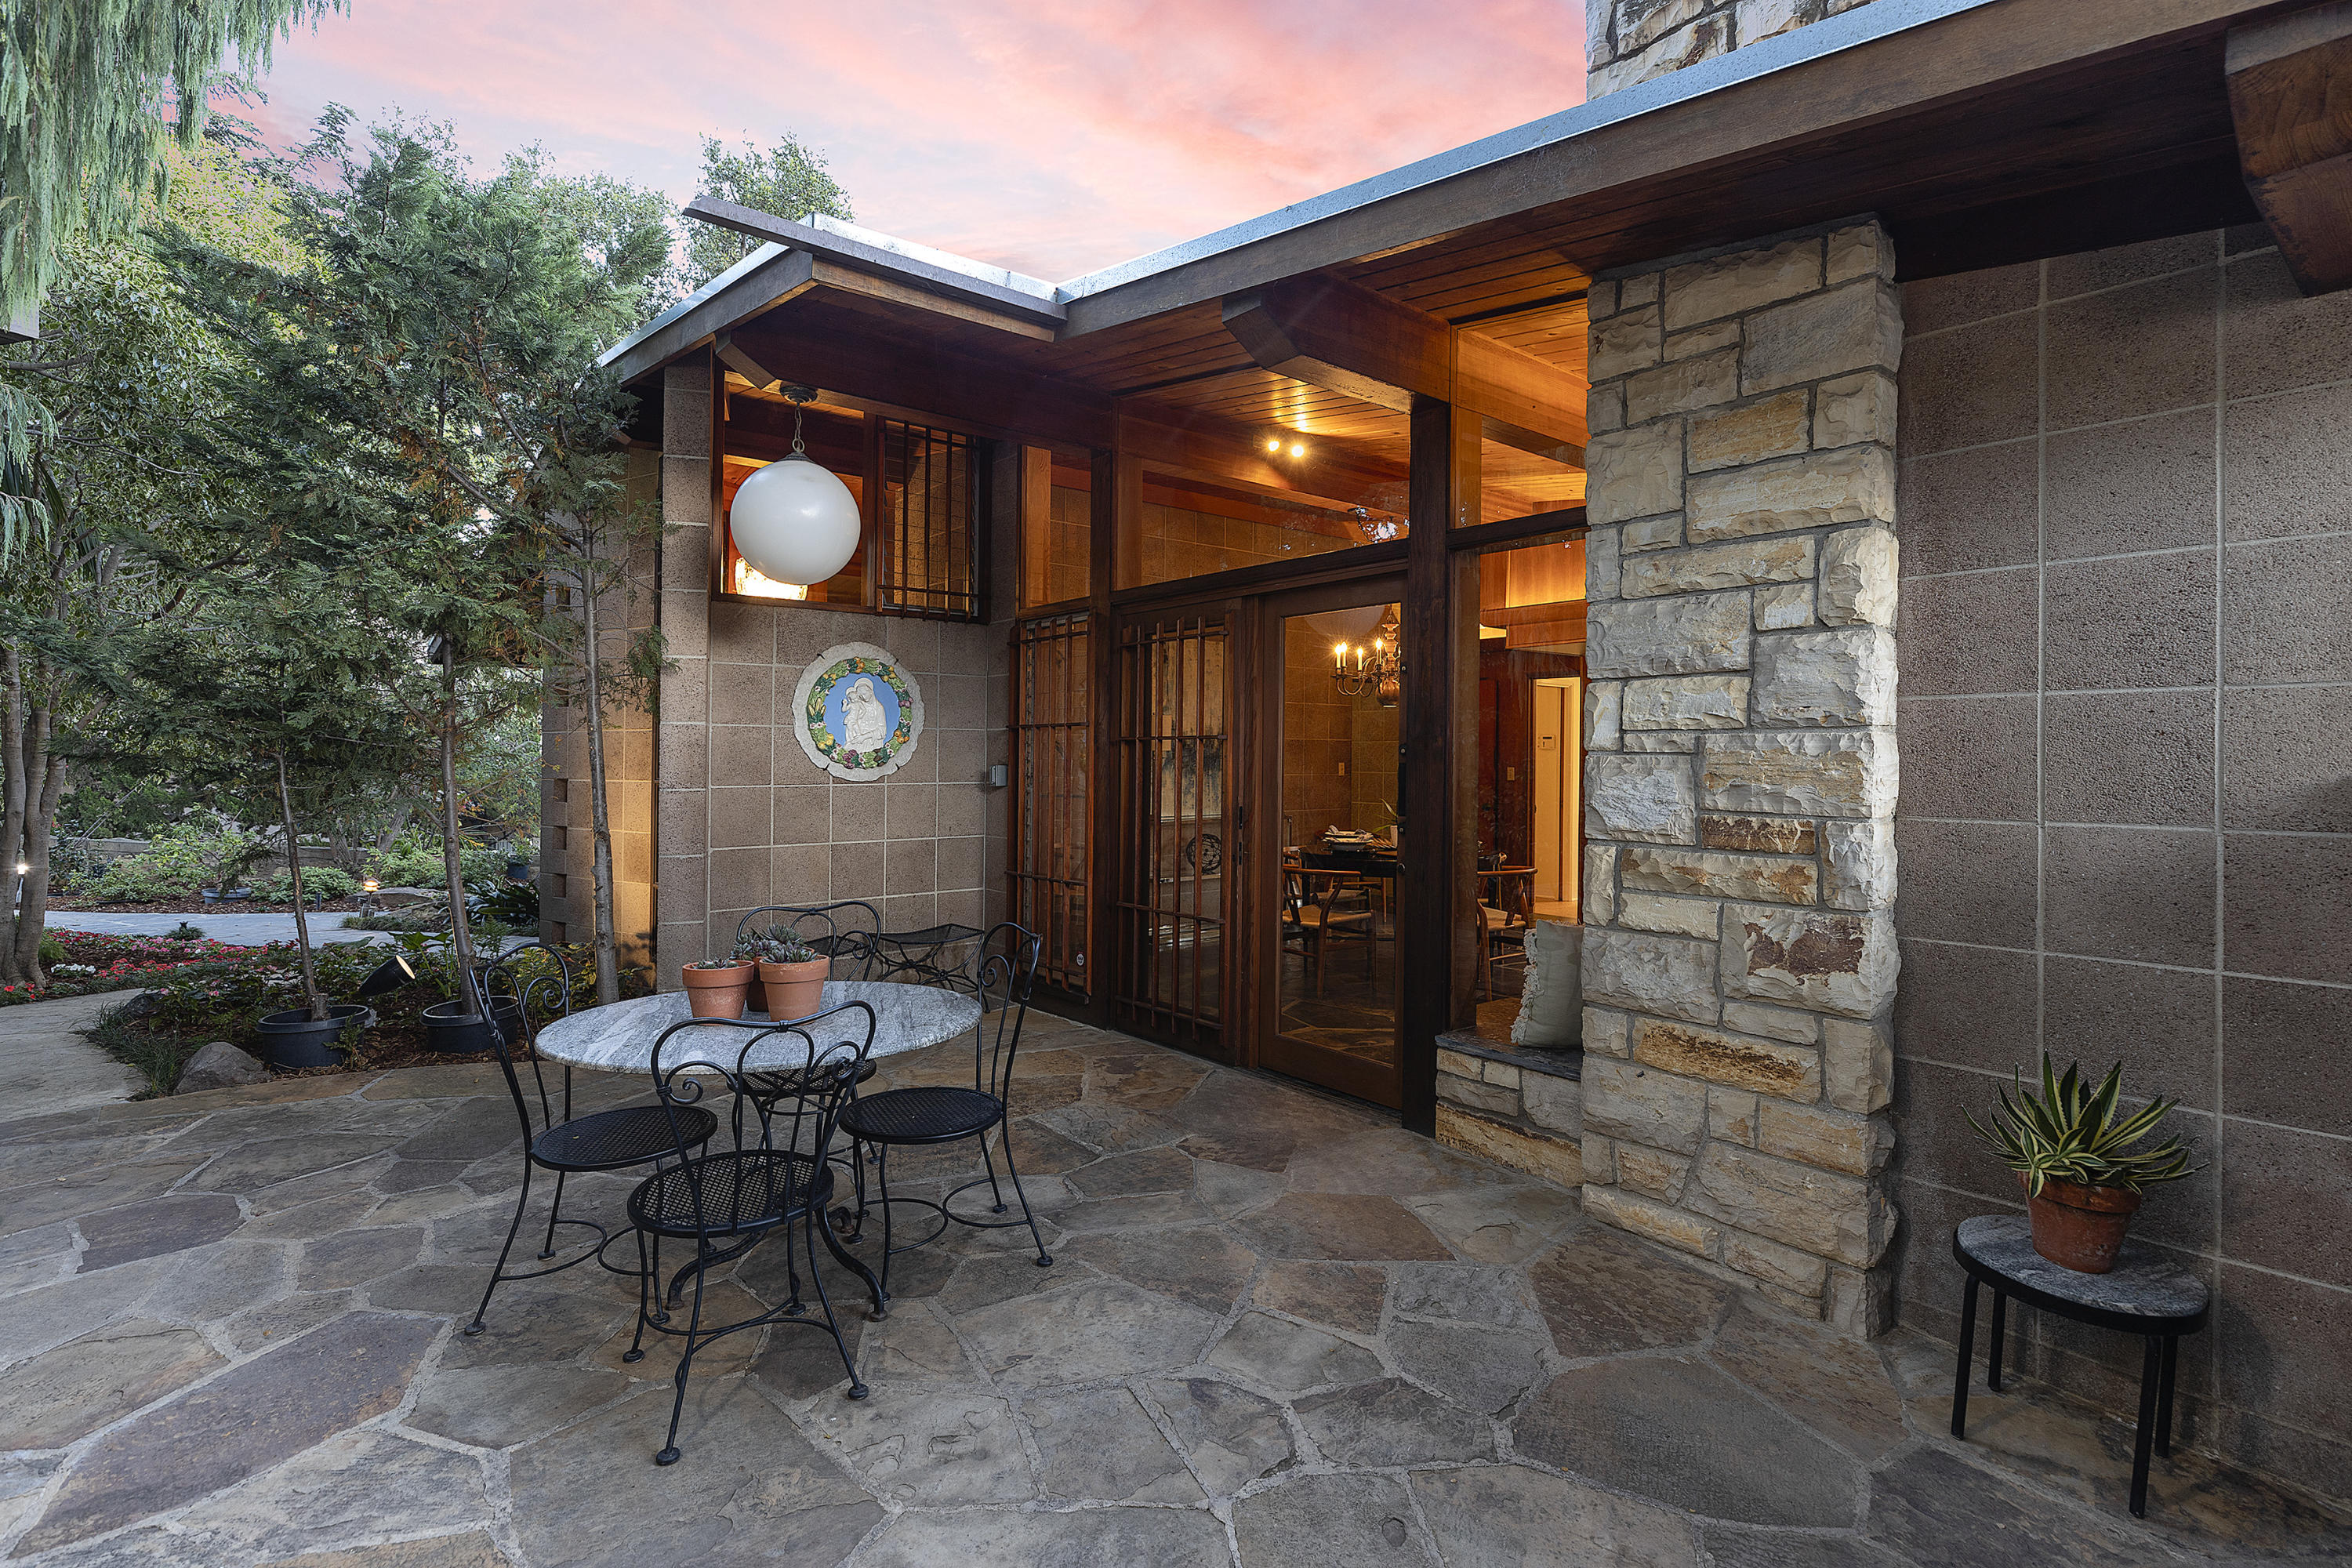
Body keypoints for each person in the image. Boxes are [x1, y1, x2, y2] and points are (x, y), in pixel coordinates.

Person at [840, 676, 890, 750]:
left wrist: (864, 737)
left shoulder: (879, 708)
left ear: (871, 691)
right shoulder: (859, 704)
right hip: (857, 738)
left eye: (864, 693)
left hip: (871, 742)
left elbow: (882, 730)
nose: (863, 697)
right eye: (860, 696)